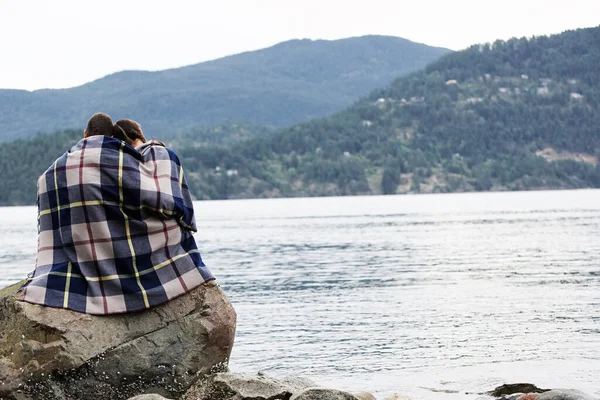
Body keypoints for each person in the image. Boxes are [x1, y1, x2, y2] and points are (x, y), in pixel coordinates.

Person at [20, 113, 214, 314]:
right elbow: (162, 201)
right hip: (125, 257)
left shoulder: (52, 171)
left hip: (77, 257)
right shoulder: (120, 160)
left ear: (85, 134)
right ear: (111, 137)